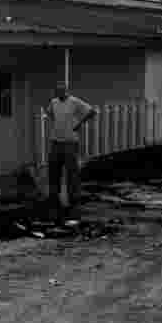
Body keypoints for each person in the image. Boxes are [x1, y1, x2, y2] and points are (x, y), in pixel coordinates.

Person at [46, 82, 97, 223]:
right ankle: (54, 201)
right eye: (57, 91)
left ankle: (73, 203)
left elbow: (92, 112)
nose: (59, 93)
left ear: (66, 91)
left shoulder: (74, 102)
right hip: (56, 141)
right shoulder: (53, 102)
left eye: (62, 91)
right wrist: (58, 125)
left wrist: (78, 124)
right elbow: (49, 113)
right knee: (53, 170)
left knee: (71, 172)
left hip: (70, 142)